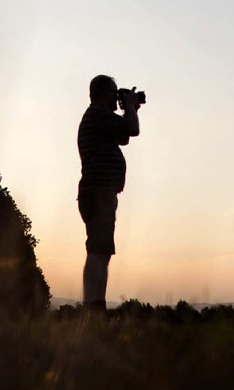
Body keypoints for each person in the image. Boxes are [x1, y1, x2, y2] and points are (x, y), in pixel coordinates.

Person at [77, 74, 140, 313]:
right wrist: (131, 108)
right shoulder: (97, 113)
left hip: (99, 192)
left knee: (101, 250)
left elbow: (123, 136)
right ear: (104, 94)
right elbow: (132, 129)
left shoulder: (98, 117)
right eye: (115, 93)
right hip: (98, 192)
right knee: (98, 250)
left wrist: (130, 109)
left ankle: (94, 306)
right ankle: (93, 309)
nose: (117, 97)